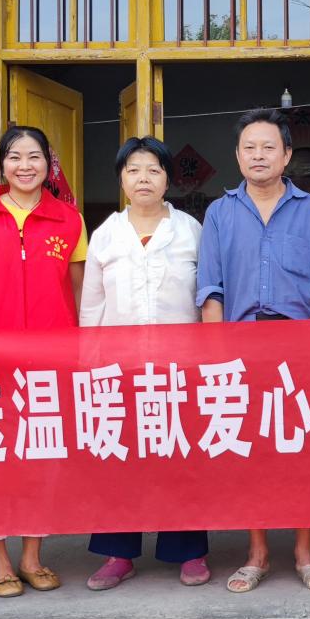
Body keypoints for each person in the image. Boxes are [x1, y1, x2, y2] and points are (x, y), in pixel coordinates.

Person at [196, 108, 310, 593]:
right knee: (250, 451)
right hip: (240, 345)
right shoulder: (220, 213)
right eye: (249, 147)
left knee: (302, 451)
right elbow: (211, 290)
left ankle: (304, 551)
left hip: (300, 346)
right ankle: (256, 552)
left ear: (287, 155)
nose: (259, 155)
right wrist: (216, 356)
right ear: (238, 156)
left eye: (268, 147)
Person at [0, 124, 86, 597]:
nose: (24, 166)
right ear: (1, 164)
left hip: (50, 359)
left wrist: (76, 349)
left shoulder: (69, 220)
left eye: (34, 157)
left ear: (48, 164)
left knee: (41, 455)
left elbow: (78, 290)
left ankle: (32, 556)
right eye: (14, 157)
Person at [79, 136, 211, 591]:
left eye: (154, 170)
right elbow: (92, 307)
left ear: (168, 179)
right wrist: (91, 369)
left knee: (180, 457)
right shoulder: (105, 234)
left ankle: (188, 551)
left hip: (180, 368)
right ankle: (118, 554)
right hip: (119, 369)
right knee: (120, 459)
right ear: (121, 178)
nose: (143, 178)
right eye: (133, 170)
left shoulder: (191, 230)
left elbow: (207, 297)